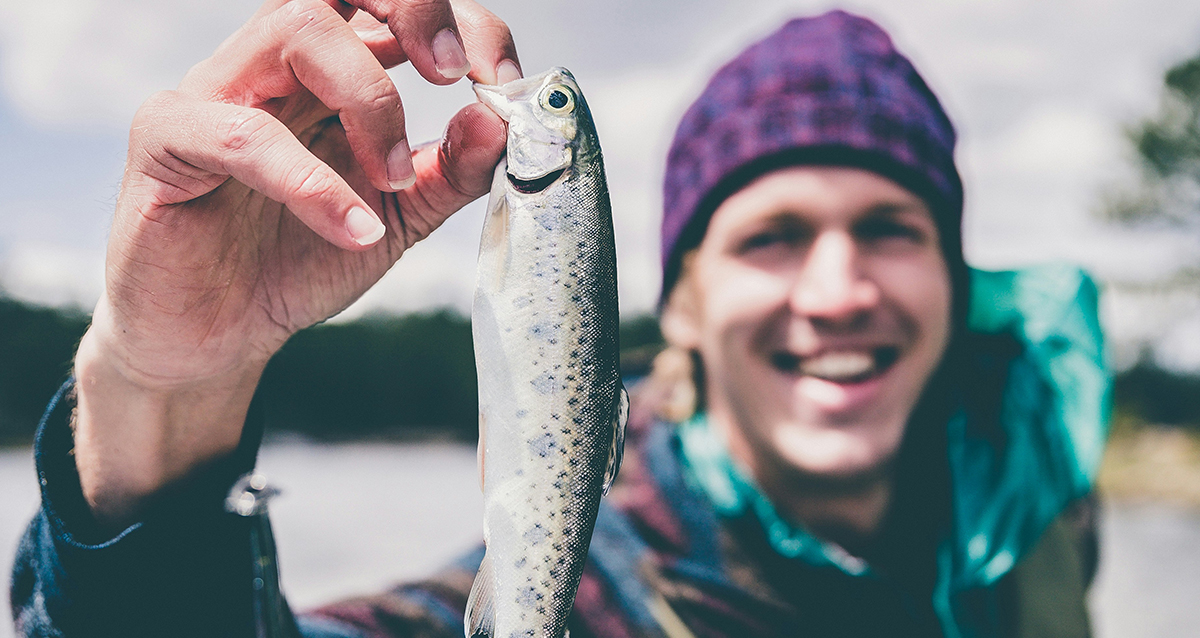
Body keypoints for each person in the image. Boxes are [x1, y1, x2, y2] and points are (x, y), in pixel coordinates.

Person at [9, 3, 1109, 638]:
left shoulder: (1035, 529)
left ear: (955, 281)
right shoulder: (587, 590)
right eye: (771, 235)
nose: (838, 289)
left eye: (890, 227)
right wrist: (161, 394)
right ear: (680, 298)